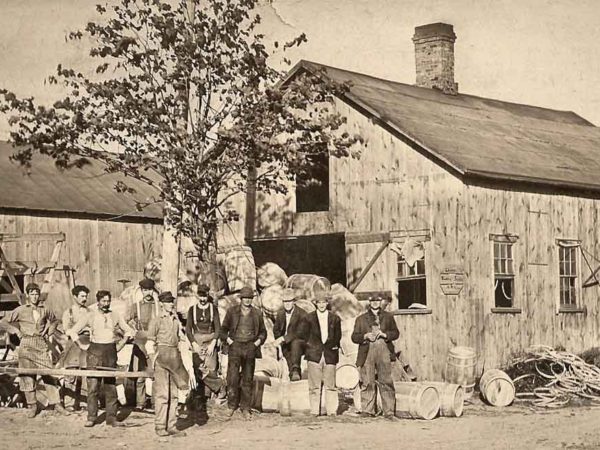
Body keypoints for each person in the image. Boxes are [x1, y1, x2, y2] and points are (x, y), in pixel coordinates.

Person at [67, 290, 135, 427]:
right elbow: (72, 331)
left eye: (108, 301)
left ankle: (111, 418)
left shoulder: (115, 315)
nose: (106, 304)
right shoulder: (89, 315)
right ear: (98, 301)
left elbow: (129, 330)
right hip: (94, 352)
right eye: (103, 301)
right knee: (93, 386)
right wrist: (82, 345)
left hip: (110, 352)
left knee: (111, 386)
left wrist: (121, 344)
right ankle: (92, 417)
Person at [0, 283, 69, 417]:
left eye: (36, 294)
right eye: (32, 294)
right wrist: (16, 331)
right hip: (26, 343)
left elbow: (55, 320)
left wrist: (50, 330)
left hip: (41, 343)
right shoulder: (20, 310)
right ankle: (33, 405)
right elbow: (3, 322)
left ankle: (57, 404)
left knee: (48, 374)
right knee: (27, 376)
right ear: (27, 296)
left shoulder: (45, 309)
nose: (34, 296)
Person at [146, 291, 194, 437]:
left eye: (171, 302)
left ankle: (171, 425)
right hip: (161, 358)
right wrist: (153, 359)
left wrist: (189, 347)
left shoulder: (175, 320)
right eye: (167, 302)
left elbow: (181, 338)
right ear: (161, 304)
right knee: (162, 395)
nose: (170, 304)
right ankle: (160, 426)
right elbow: (149, 342)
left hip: (174, 359)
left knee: (174, 395)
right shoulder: (156, 320)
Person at [219, 286, 266, 419]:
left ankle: (246, 408)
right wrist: (230, 341)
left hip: (250, 347)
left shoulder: (257, 313)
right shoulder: (232, 311)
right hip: (235, 346)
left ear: (252, 299)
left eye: (250, 298)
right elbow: (223, 330)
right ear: (241, 299)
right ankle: (231, 406)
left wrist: (256, 343)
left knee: (248, 379)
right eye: (245, 298)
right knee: (232, 378)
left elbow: (263, 332)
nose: (247, 300)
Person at [351, 294, 400, 419]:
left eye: (377, 300)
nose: (375, 303)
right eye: (372, 300)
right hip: (367, 351)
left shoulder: (388, 317)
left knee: (386, 381)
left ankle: (389, 412)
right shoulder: (361, 319)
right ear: (369, 302)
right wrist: (365, 336)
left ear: (381, 302)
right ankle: (368, 410)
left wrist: (384, 334)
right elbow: (354, 337)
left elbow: (396, 333)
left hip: (384, 351)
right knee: (367, 381)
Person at [300, 291, 342, 417]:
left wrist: (334, 347)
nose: (322, 305)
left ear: (327, 303)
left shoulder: (335, 318)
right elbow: (303, 335)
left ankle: (331, 411)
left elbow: (338, 336)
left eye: (324, 302)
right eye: (319, 302)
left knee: (330, 385)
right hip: (314, 354)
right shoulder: (308, 318)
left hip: (330, 354)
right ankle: (314, 411)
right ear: (315, 303)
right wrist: (309, 348)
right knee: (314, 386)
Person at [185, 283, 223, 414]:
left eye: (205, 296)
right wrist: (193, 343)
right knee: (198, 369)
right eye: (200, 296)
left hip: (210, 340)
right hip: (197, 341)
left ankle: (207, 398)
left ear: (208, 295)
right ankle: (211, 390)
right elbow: (188, 330)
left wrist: (213, 342)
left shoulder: (213, 309)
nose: (202, 299)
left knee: (211, 368)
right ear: (197, 295)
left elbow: (218, 328)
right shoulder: (192, 310)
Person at [126, 278, 161, 410]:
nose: (147, 292)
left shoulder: (159, 306)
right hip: (140, 342)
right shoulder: (135, 307)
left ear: (153, 291)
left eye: (150, 290)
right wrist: (132, 329)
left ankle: (154, 402)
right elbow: (124, 321)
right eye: (145, 290)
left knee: (155, 373)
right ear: (141, 291)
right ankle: (140, 403)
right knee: (140, 374)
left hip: (155, 342)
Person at [59, 285, 91, 410]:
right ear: (75, 297)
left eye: (86, 296)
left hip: (87, 343)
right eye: (82, 296)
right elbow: (67, 329)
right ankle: (70, 402)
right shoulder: (69, 312)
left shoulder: (90, 312)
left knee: (86, 372)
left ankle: (84, 402)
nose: (84, 299)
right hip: (73, 344)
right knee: (71, 373)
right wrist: (80, 329)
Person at [272, 288, 307, 381]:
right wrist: (279, 340)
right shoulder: (280, 313)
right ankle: (293, 374)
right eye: (285, 301)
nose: (287, 304)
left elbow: (300, 332)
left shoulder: (302, 314)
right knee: (285, 349)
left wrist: (283, 338)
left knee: (295, 343)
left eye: (289, 301)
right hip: (286, 342)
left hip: (301, 342)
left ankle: (296, 369)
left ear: (294, 302)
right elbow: (276, 329)